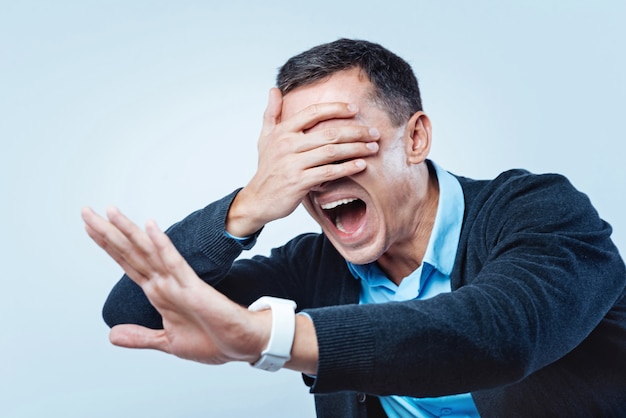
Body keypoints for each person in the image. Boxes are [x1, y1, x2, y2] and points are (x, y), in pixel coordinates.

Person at [82, 39, 626, 417]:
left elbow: (500, 334)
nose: (314, 176)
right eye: (295, 156)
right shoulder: (313, 263)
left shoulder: (538, 210)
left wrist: (270, 337)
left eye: (338, 146)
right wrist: (248, 205)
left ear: (415, 140)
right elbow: (138, 312)